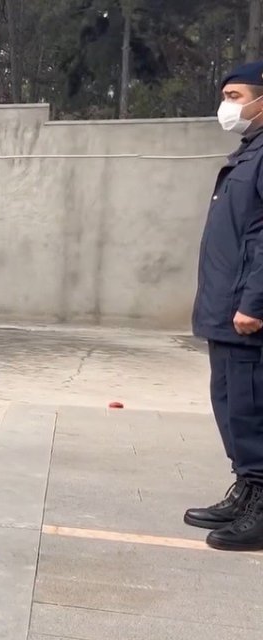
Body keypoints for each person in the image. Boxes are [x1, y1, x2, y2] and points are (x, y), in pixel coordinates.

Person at [187, 60, 263, 552]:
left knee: (252, 409)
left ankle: (261, 505)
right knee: (232, 405)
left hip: (245, 313)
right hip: (224, 311)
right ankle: (247, 491)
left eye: (235, 96)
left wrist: (254, 301)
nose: (226, 106)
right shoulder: (248, 153)